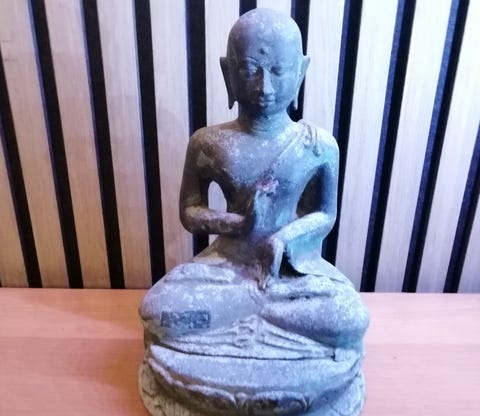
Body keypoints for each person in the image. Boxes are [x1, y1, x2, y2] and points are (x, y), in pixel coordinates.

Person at [140, 8, 368, 351]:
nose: (265, 87)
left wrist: (285, 239)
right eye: (249, 70)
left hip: (288, 273)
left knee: (349, 318)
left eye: (278, 70)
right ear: (228, 72)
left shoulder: (318, 146)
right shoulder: (208, 143)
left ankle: (245, 315)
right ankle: (257, 312)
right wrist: (237, 223)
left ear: (301, 71)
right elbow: (190, 211)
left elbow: (324, 214)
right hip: (226, 268)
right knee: (158, 312)